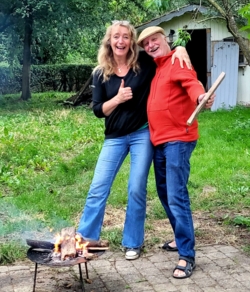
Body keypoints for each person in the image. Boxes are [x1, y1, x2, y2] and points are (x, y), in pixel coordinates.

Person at [77, 20, 191, 261]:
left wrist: (180, 48)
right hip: (114, 137)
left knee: (136, 187)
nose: (120, 41)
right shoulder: (100, 72)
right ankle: (85, 240)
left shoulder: (144, 64)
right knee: (98, 188)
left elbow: (165, 56)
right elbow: (98, 110)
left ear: (131, 41)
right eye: (116, 37)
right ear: (109, 40)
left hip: (142, 134)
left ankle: (133, 242)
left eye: (126, 37)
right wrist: (117, 98)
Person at [137, 26, 215, 277]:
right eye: (146, 43)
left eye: (154, 40)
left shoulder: (177, 61)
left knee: (176, 195)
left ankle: (186, 254)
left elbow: (191, 83)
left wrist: (201, 97)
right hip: (159, 141)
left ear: (165, 40)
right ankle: (179, 237)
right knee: (165, 193)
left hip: (178, 139)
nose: (150, 45)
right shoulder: (157, 66)